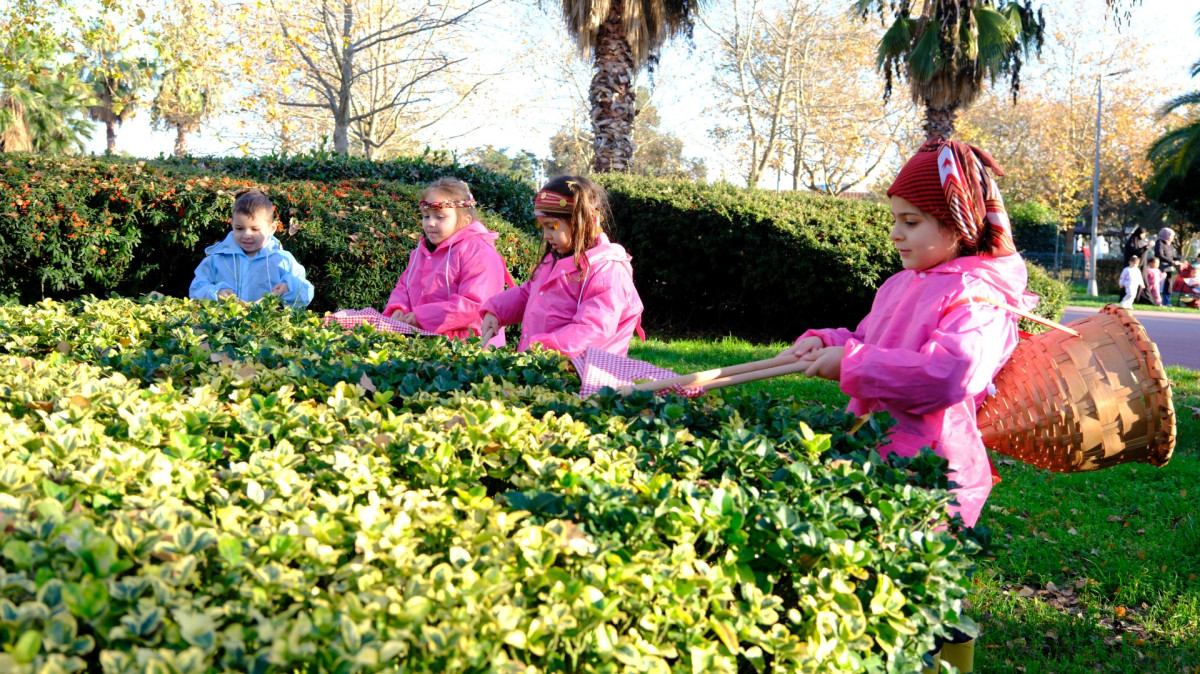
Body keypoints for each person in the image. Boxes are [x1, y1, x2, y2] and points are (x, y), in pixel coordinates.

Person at [781, 138, 1032, 672]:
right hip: (875, 449)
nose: (895, 232)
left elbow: (951, 374)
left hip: (934, 471)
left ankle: (939, 659)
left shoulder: (980, 297)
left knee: (919, 591)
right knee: (877, 580)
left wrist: (852, 364)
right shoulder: (902, 284)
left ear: (957, 225)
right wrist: (828, 340)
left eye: (912, 221)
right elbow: (873, 338)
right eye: (895, 219)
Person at [479, 175, 644, 357]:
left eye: (552, 226)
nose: (546, 235)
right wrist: (496, 310)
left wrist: (541, 349)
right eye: (543, 227)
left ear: (581, 222)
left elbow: (594, 329)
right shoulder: (555, 259)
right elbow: (530, 293)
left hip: (584, 376)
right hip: (546, 367)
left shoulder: (607, 271)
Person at [383, 177, 514, 344]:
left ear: (465, 221)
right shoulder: (420, 252)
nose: (430, 223)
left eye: (440, 217)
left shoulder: (479, 251)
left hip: (469, 346)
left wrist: (421, 317)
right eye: (426, 216)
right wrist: (398, 308)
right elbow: (404, 286)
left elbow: (474, 304)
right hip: (426, 340)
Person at [189, 188, 313, 307]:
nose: (247, 234)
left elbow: (306, 291)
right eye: (239, 228)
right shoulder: (217, 259)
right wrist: (216, 293)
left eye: (255, 229)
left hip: (267, 326)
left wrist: (289, 287)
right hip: (223, 325)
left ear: (272, 228)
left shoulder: (283, 260)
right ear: (232, 224)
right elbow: (196, 288)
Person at [1154, 227, 1179, 305]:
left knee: (1168, 284)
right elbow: (1160, 255)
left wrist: (1179, 260)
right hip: (1162, 267)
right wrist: (1172, 261)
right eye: (1171, 235)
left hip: (1169, 267)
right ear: (1166, 235)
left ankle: (1166, 302)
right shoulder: (1159, 242)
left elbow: (1173, 255)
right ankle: (1159, 301)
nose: (1172, 238)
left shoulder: (1170, 244)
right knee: (1161, 285)